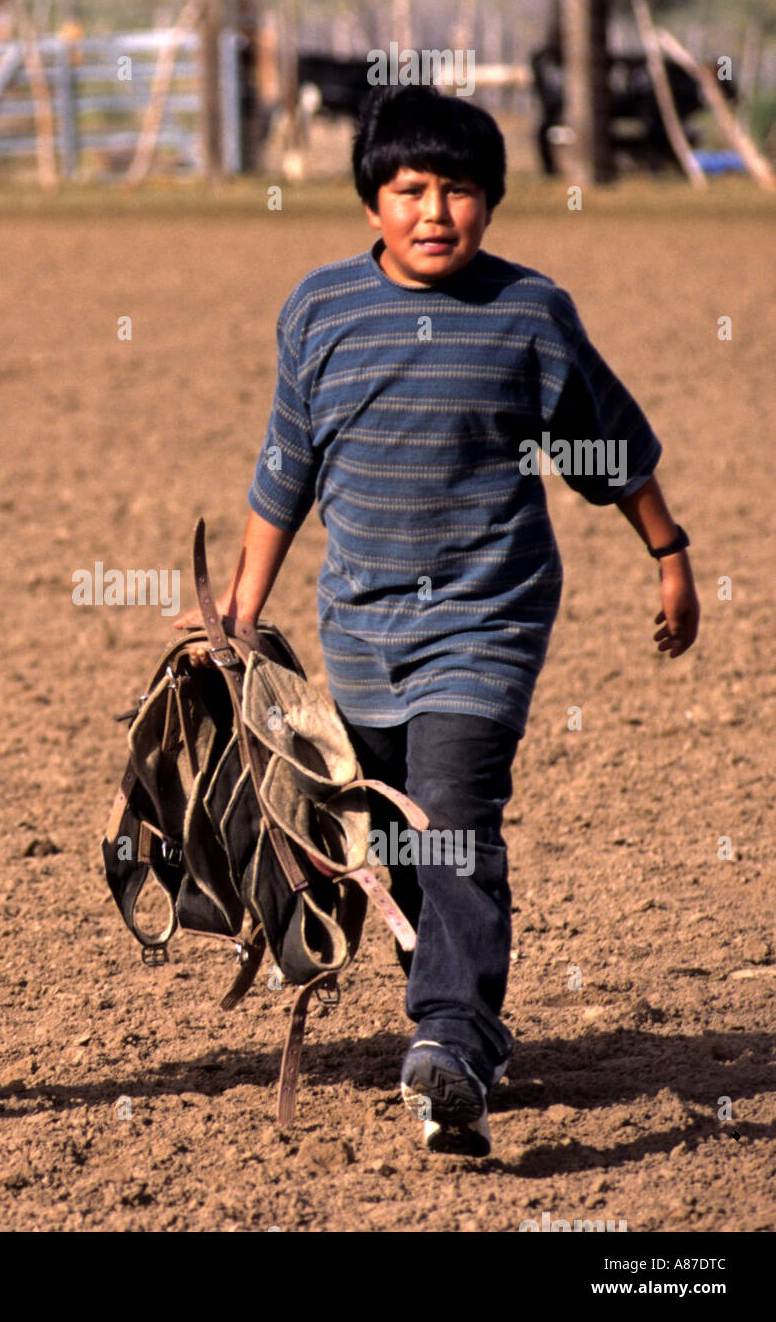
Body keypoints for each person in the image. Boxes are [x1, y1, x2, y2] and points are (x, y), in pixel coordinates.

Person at [176, 85, 699, 1156]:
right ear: (370, 201)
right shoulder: (319, 312)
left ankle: (452, 1037)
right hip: (360, 627)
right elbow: (286, 472)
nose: (432, 211)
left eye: (457, 189)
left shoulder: (529, 313)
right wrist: (235, 615)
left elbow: (606, 443)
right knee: (395, 833)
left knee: (454, 809)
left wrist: (669, 550)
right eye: (408, 188)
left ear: (494, 203)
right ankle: (453, 1029)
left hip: (487, 619)